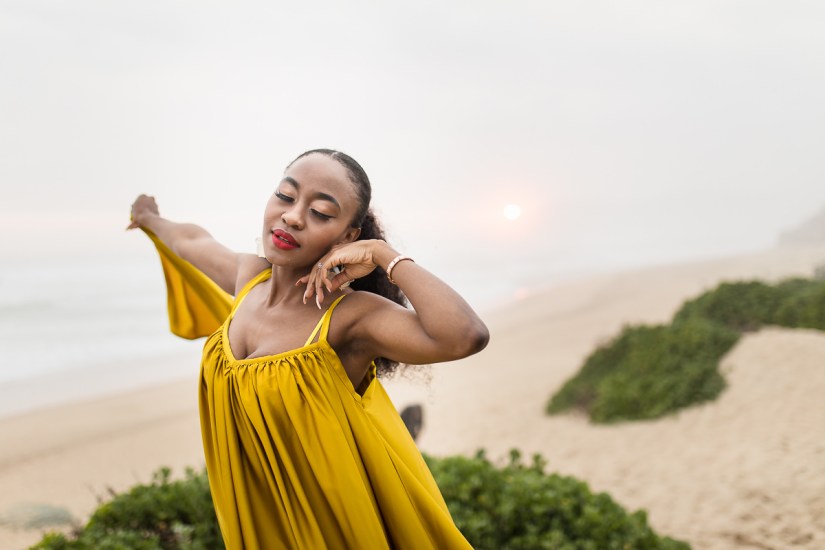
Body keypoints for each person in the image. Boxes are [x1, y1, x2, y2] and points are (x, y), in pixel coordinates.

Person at [128, 149, 489, 549]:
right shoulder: (247, 278)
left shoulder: (350, 318)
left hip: (336, 531)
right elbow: (189, 239)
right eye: (285, 196)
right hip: (256, 529)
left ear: (348, 237)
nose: (294, 216)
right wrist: (148, 217)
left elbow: (464, 335)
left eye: (320, 212)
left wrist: (382, 255)